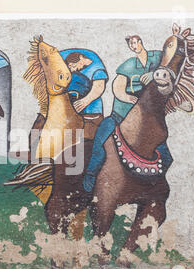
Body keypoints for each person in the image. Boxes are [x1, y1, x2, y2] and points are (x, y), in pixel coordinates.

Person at [83, 35, 173, 192]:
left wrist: (154, 74)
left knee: (166, 156)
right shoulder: (129, 65)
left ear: (140, 41)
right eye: (130, 44)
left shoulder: (156, 57)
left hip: (147, 120)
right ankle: (90, 174)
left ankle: (154, 183)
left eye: (134, 42)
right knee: (100, 141)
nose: (133, 46)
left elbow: (170, 58)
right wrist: (125, 96)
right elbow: (117, 85)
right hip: (120, 116)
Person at [60, 49, 108, 116]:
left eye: (73, 66)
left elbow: (99, 86)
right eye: (70, 67)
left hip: (90, 110)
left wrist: (85, 101)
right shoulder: (61, 56)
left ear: (81, 58)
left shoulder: (97, 69)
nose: (73, 69)